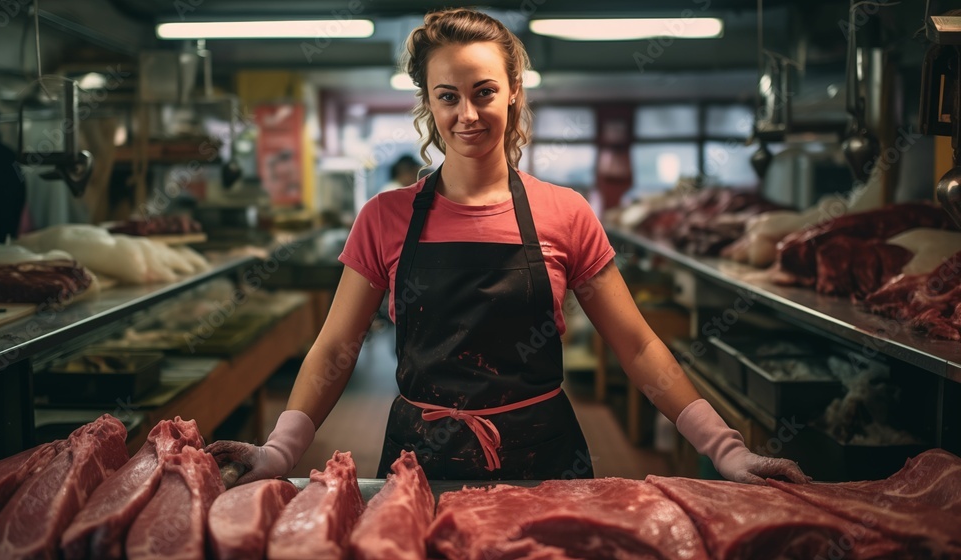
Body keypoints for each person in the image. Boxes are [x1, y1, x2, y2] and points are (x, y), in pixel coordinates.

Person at [208, 8, 809, 485]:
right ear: (428, 104)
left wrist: (726, 451)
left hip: (543, 460)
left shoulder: (565, 212)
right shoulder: (383, 217)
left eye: (484, 92)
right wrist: (280, 451)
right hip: (419, 461)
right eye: (447, 96)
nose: (466, 114)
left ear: (514, 91)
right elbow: (336, 347)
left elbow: (638, 345)